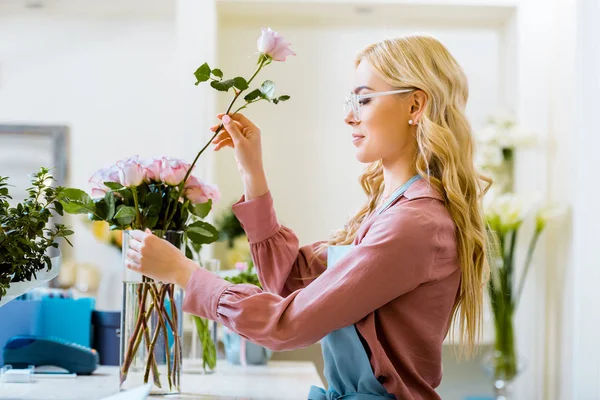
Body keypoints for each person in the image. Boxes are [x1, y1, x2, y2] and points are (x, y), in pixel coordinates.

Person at [125, 34, 491, 400]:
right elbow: (289, 280)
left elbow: (287, 324)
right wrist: (252, 172)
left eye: (363, 99)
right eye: (351, 101)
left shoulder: (415, 223)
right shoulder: (392, 209)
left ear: (415, 106)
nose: (349, 116)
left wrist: (183, 273)